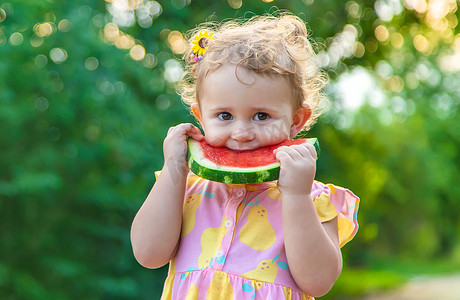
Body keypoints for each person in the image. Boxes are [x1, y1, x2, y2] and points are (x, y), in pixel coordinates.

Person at [131, 13, 359, 300]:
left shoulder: (314, 199)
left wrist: (297, 196)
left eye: (261, 116)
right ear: (200, 117)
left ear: (297, 120)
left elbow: (318, 281)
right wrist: (173, 169)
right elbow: (147, 253)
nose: (241, 132)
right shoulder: (185, 189)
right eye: (224, 115)